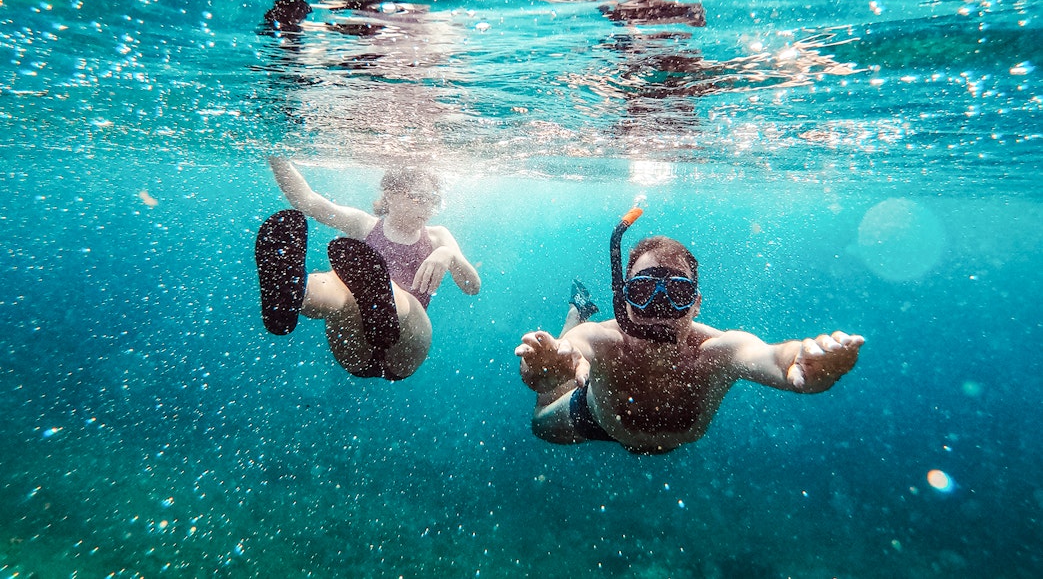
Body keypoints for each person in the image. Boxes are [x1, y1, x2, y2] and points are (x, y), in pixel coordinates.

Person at [515, 208, 863, 455]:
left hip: (623, 424)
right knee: (541, 417)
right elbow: (570, 350)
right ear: (624, 298)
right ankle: (579, 310)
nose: (660, 308)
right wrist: (544, 366)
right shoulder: (603, 342)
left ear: (695, 304)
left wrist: (800, 362)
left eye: (677, 294)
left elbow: (770, 356)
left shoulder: (717, 350)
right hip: (596, 420)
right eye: (642, 292)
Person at [255, 158, 481, 381]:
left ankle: (374, 299)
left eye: (432, 199)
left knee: (387, 291)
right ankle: (294, 292)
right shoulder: (365, 225)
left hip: (406, 350)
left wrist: (449, 255)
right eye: (418, 197)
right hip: (355, 344)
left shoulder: (437, 236)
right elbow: (307, 200)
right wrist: (276, 155)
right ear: (391, 194)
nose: (426, 206)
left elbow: (472, 287)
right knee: (339, 284)